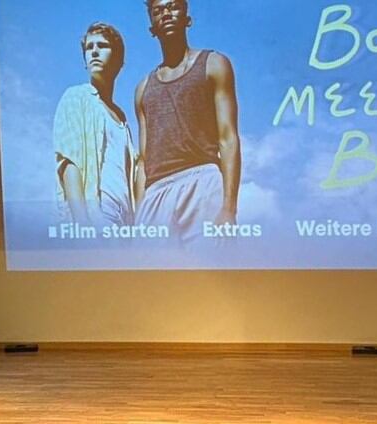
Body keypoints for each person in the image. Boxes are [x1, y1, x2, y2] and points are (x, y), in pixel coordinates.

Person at [135, 0, 241, 246]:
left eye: (173, 6)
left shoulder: (214, 64)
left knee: (209, 273)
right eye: (158, 10)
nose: (166, 14)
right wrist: (140, 215)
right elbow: (143, 159)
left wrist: (229, 208)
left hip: (202, 180)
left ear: (186, 15)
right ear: (151, 23)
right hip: (156, 191)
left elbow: (228, 137)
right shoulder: (142, 88)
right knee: (153, 280)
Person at [54, 22, 136, 227]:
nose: (95, 52)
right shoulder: (76, 96)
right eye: (89, 48)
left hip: (125, 221)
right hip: (97, 215)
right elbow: (69, 163)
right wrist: (83, 226)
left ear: (118, 60)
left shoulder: (122, 118)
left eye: (102, 46)